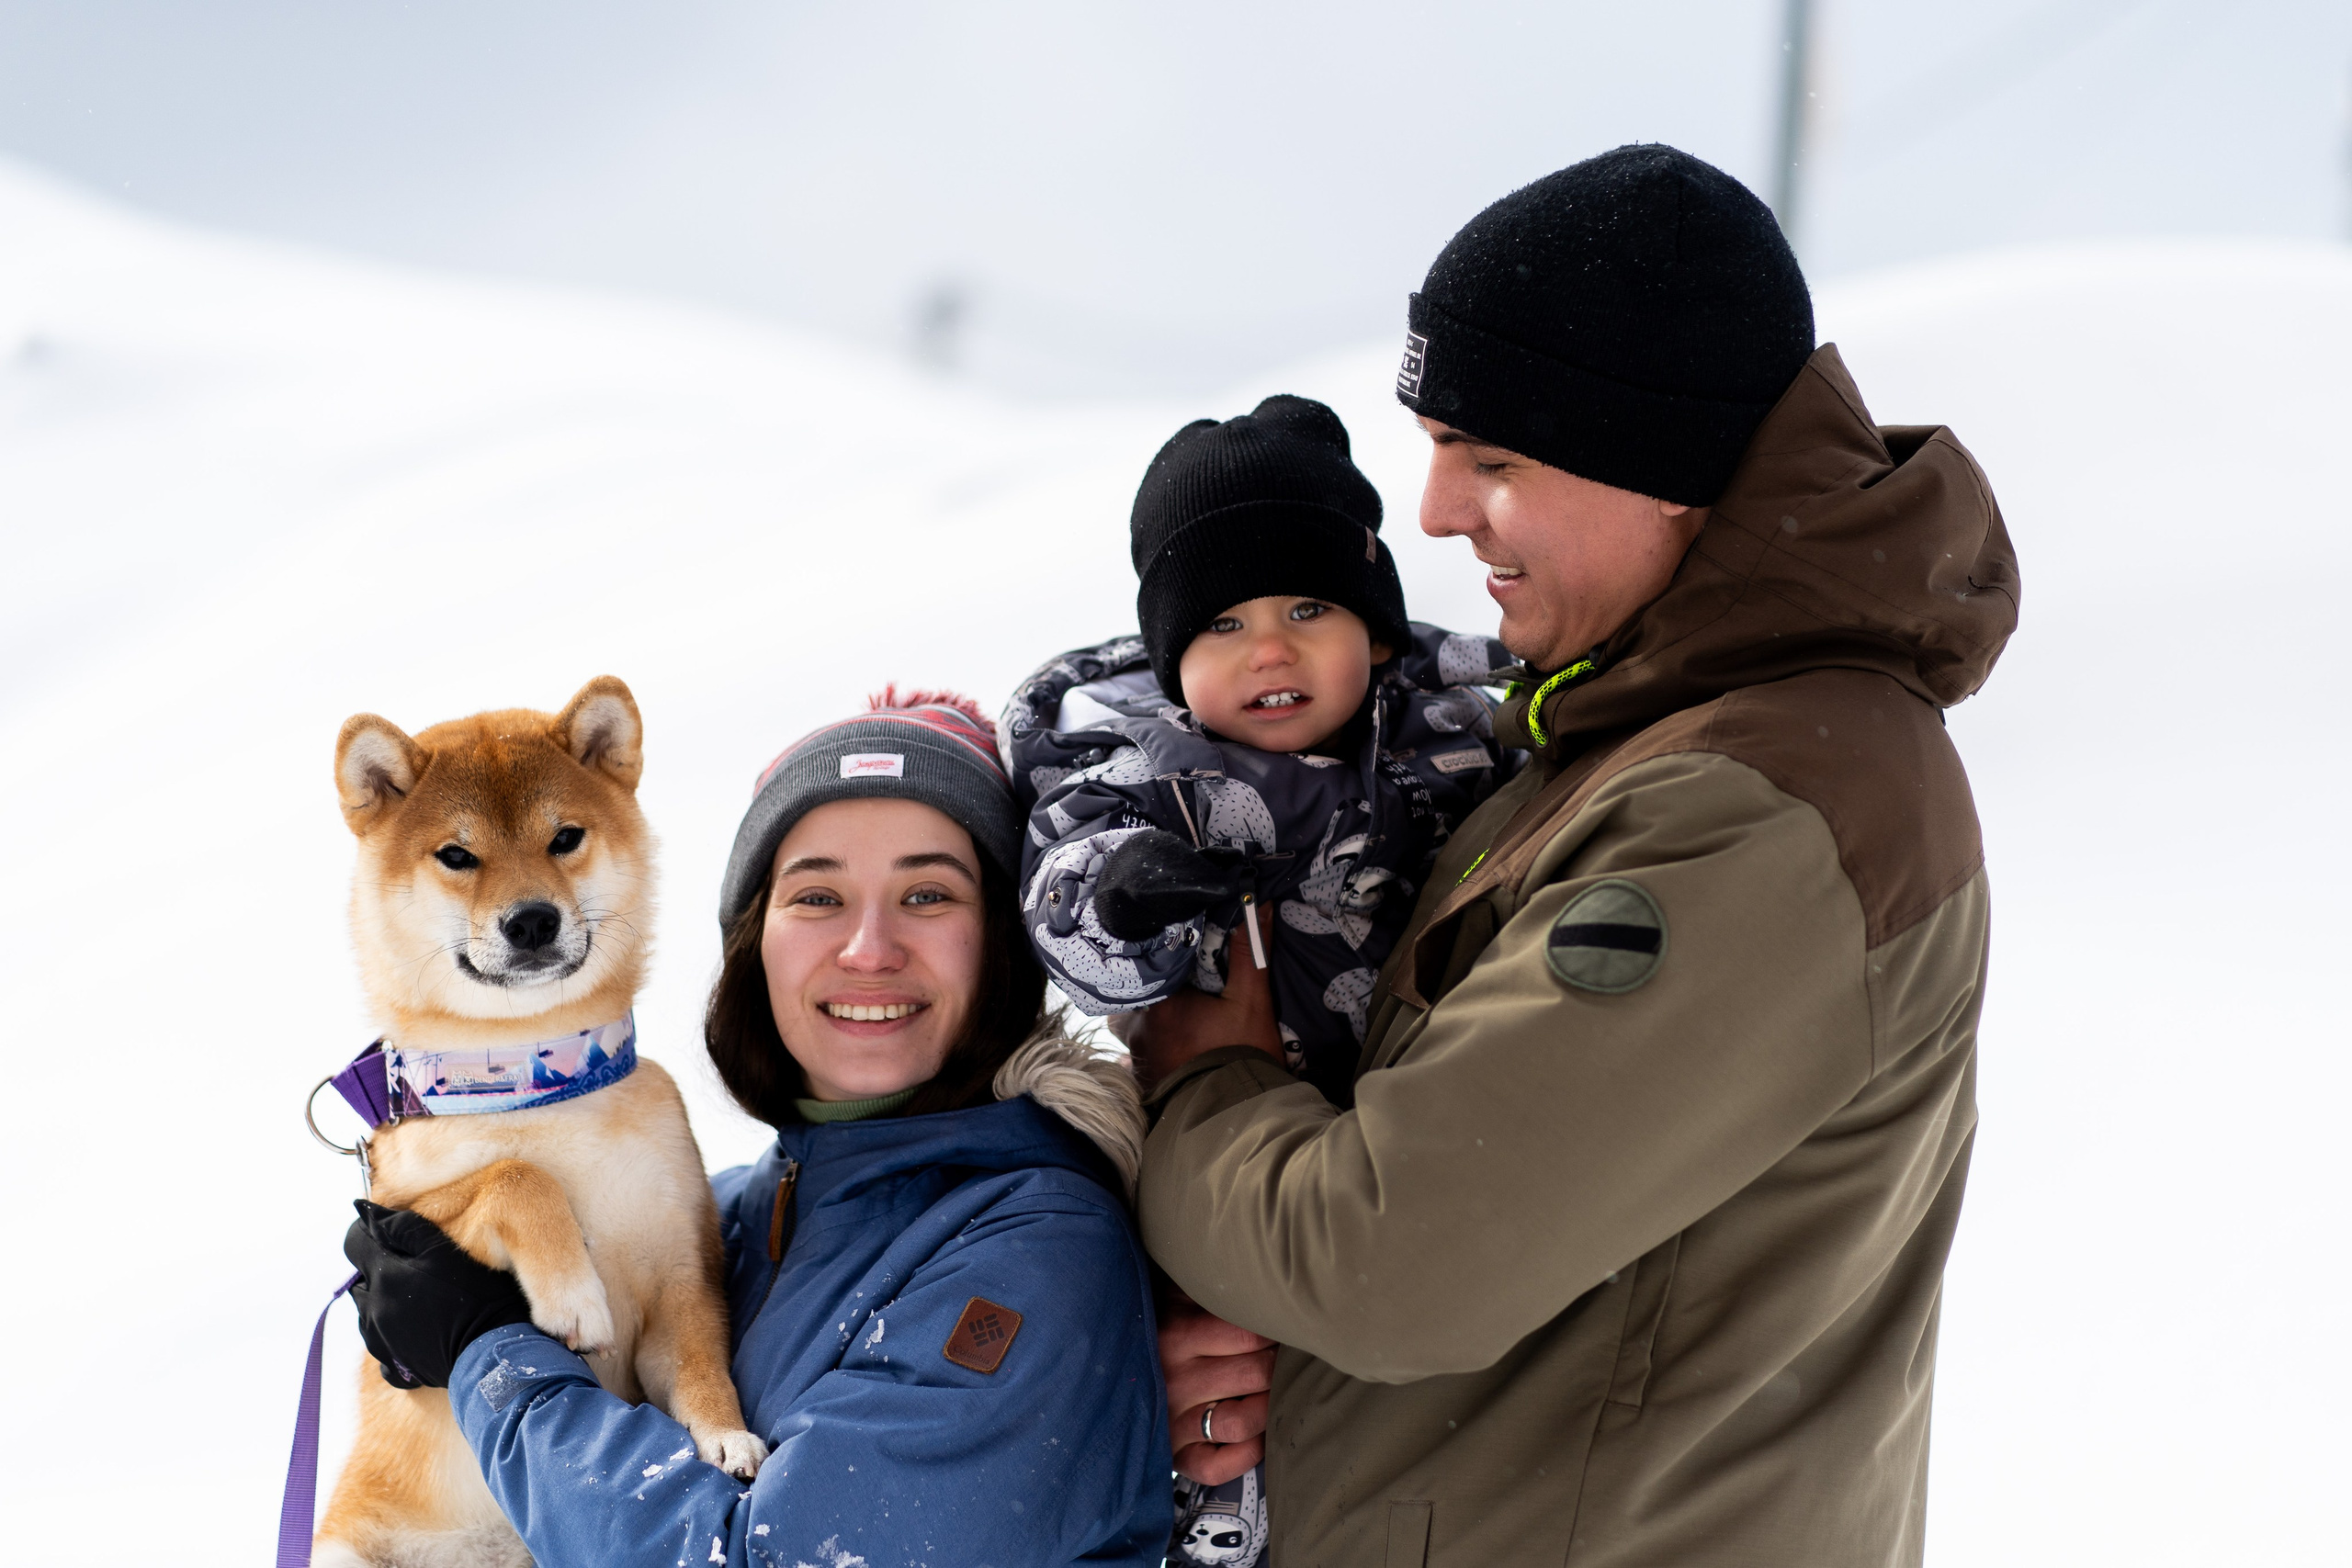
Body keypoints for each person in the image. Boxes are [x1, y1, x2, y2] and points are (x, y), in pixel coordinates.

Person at [1131, 143, 2022, 1567]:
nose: (1430, 512)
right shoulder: (1627, 739)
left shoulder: (1760, 808)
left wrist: (1205, 1083)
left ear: (1663, 468)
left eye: (1492, 458)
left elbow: (1388, 1254)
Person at [341, 693, 1173, 1568]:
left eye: (927, 893)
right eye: (818, 895)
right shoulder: (751, 1213)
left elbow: (772, 1558)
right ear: (755, 938)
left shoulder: (1040, 1245)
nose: (867, 947)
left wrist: (487, 1351)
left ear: (1003, 939)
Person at [1001, 396, 1515, 1565]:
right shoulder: (1143, 766)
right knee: (1213, 1331)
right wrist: (1128, 899)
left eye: (1307, 608)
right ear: (1171, 659)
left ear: (1376, 633)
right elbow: (1063, 892)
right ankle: (1209, 1512)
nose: (1269, 649)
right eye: (1222, 622)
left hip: (1386, 1129)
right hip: (1205, 1146)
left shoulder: (1457, 741)